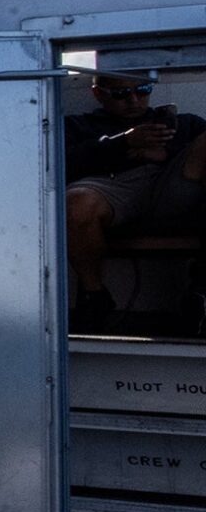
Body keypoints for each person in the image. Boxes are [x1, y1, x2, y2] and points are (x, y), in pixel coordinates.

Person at [66, 70, 206, 332]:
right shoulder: (78, 126)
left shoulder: (186, 124)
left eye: (142, 91)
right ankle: (94, 297)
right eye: (121, 94)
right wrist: (123, 144)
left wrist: (165, 153)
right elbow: (58, 164)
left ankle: (202, 289)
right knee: (75, 203)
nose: (133, 101)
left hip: (168, 189)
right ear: (98, 94)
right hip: (111, 188)